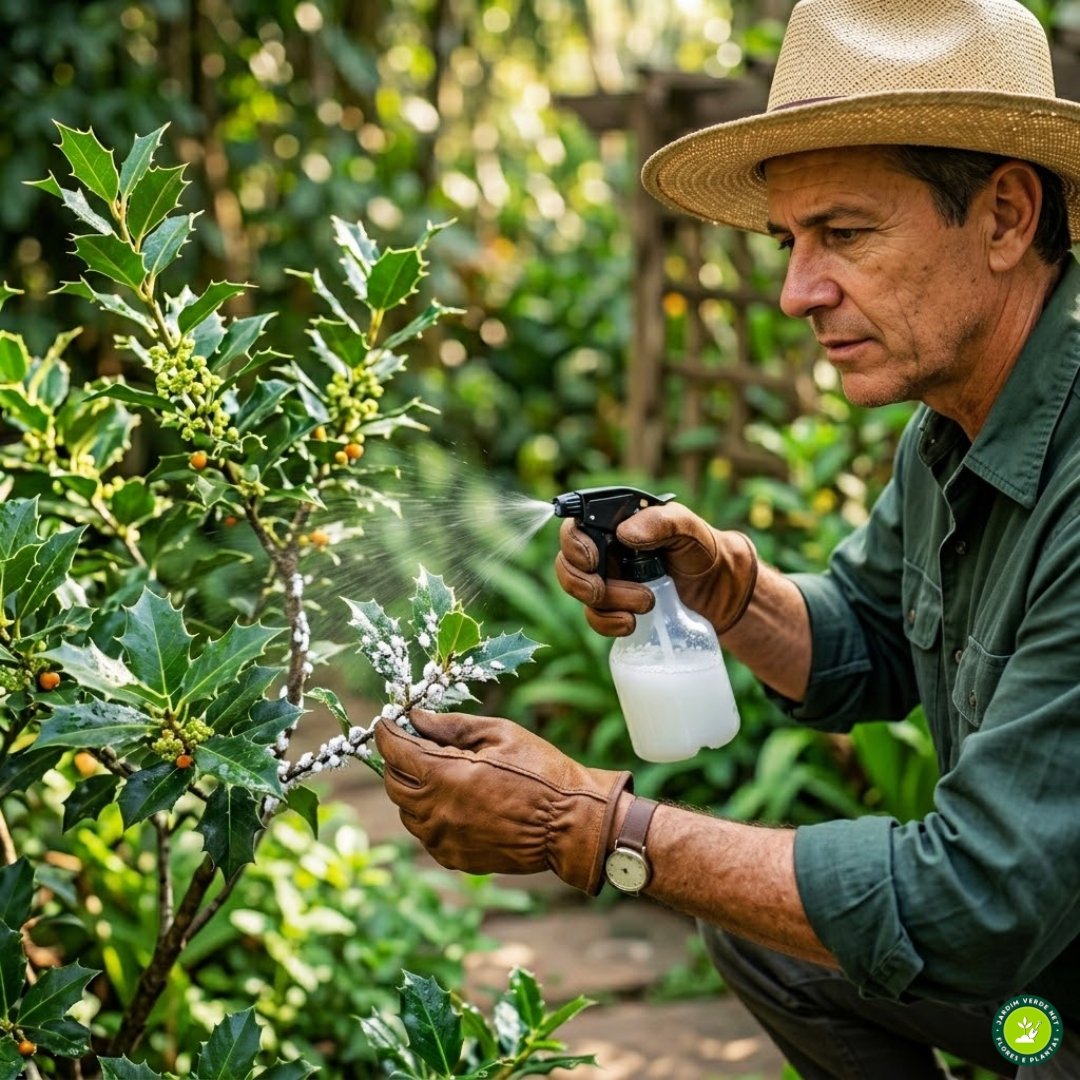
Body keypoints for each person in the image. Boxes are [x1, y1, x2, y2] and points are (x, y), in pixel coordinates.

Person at [375, 0, 1080, 1076]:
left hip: (1037, 970)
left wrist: (588, 828)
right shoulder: (955, 426)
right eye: (788, 241)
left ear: (1004, 216)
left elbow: (974, 903)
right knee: (765, 932)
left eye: (845, 234)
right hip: (1044, 984)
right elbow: (871, 641)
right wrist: (724, 589)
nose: (797, 292)